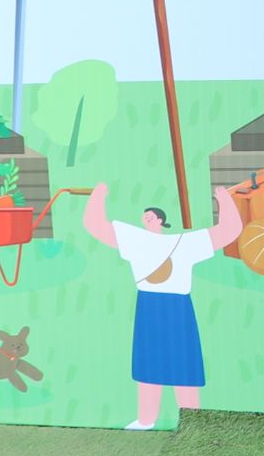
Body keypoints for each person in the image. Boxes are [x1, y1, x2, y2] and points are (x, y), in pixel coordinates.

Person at [80, 182, 241, 430]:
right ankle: (146, 419)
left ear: (160, 221)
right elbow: (96, 225)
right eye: (145, 215)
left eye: (151, 215)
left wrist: (224, 200)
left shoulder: (184, 243)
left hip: (178, 307)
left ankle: (192, 422)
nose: (147, 218)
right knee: (148, 363)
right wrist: (98, 195)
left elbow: (229, 230)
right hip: (149, 304)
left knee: (184, 366)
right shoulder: (135, 239)